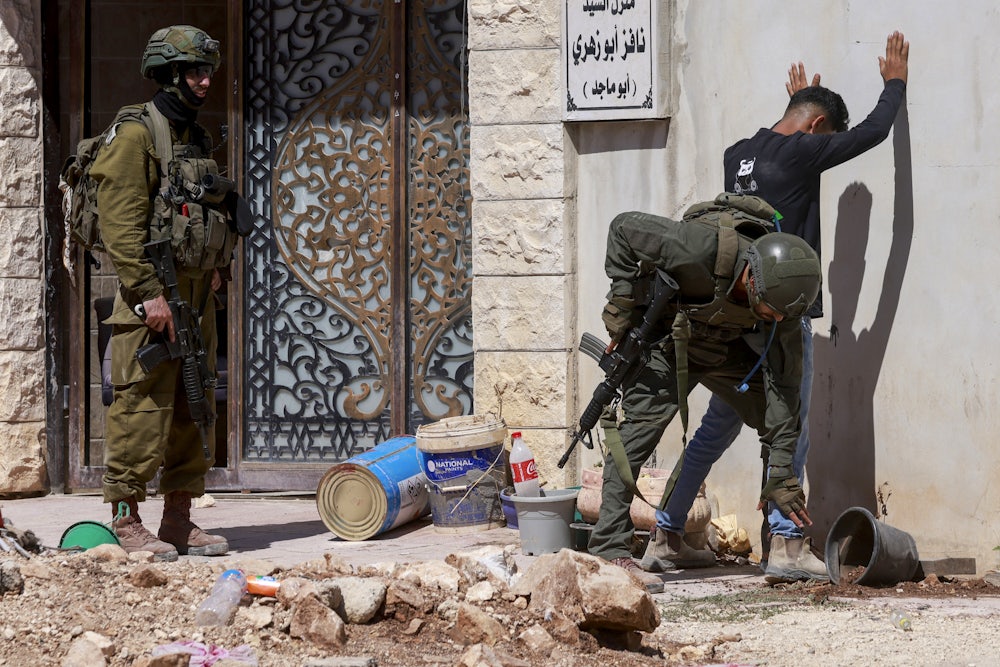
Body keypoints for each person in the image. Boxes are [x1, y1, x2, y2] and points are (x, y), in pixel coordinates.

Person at [644, 31, 910, 583]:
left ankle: (667, 533)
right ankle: (788, 547)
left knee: (715, 430)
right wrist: (894, 84)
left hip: (733, 320)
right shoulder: (808, 150)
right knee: (793, 425)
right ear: (817, 129)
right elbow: (874, 132)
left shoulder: (737, 155)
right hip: (781, 322)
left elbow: (780, 156)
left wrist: (806, 100)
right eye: (821, 135)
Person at [587, 195, 822, 593]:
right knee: (634, 438)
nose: (776, 320)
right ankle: (611, 550)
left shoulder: (783, 305)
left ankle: (780, 549)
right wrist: (622, 308)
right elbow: (623, 227)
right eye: (769, 312)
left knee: (780, 421)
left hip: (726, 350)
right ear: (751, 277)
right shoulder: (699, 247)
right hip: (669, 343)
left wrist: (781, 472)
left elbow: (784, 392)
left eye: (782, 316)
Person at [92, 25, 239, 560]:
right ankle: (126, 520)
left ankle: (178, 518)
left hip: (197, 295)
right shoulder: (135, 134)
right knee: (140, 404)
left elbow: (203, 213)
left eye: (207, 72)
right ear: (168, 73)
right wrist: (150, 292)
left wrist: (215, 267)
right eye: (194, 72)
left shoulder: (195, 137)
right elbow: (121, 226)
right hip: (150, 298)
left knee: (192, 403)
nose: (204, 81)